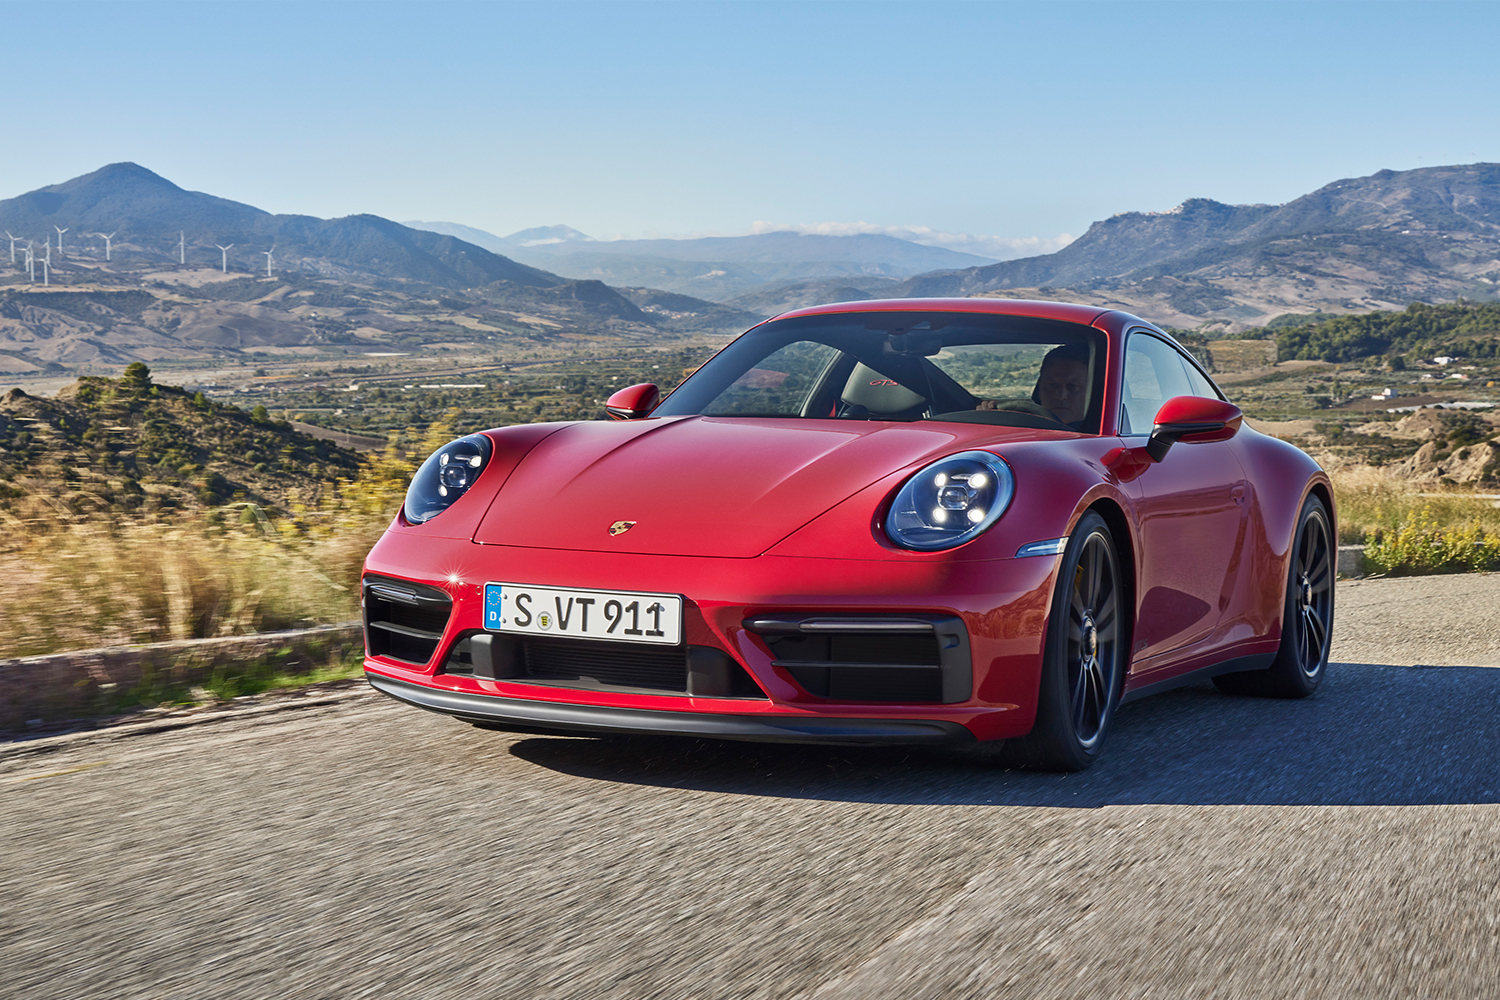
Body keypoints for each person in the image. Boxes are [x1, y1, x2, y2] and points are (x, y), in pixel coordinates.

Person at [977, 343, 1091, 427]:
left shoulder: (1099, 435)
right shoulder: (1018, 425)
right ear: (1039, 389)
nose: (1061, 395)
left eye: (1072, 387)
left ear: (1090, 392)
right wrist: (985, 422)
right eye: (1052, 385)